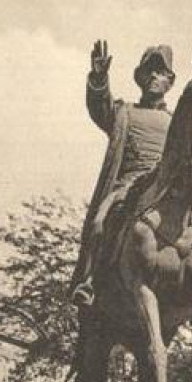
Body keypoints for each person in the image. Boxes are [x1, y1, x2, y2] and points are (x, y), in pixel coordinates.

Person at [70, 40, 176, 311]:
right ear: (140, 78)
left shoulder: (177, 121)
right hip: (127, 188)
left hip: (164, 191)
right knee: (99, 223)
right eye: (148, 71)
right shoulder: (123, 113)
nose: (154, 76)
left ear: (170, 81)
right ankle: (90, 281)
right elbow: (99, 106)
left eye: (160, 72)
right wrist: (98, 77)